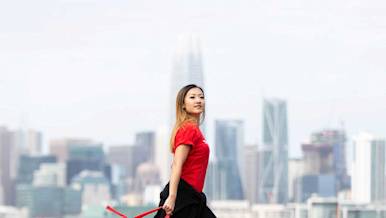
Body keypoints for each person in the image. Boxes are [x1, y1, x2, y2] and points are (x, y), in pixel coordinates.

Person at [154, 84, 216, 218]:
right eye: (192, 97)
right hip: (182, 197)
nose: (198, 100)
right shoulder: (188, 129)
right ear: (183, 105)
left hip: (194, 197)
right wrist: (172, 197)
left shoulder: (195, 130)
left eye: (201, 97)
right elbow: (177, 164)